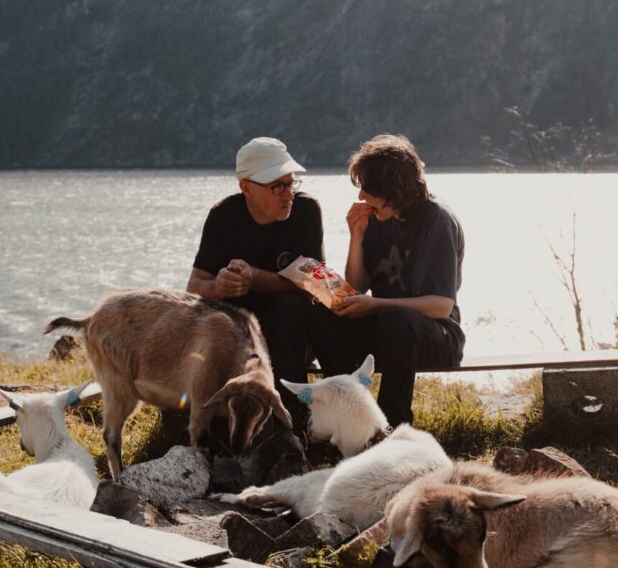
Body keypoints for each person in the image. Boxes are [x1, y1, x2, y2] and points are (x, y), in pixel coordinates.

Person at [305, 133, 464, 426]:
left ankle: (391, 426)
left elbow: (441, 306)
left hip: (435, 336)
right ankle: (350, 415)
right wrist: (357, 236)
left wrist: (375, 305)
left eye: (368, 188)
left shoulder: (436, 219)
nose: (362, 196)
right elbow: (358, 284)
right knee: (318, 313)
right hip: (386, 330)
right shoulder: (378, 217)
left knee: (396, 318)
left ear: (393, 188)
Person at [187, 136, 324, 404]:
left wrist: (255, 278)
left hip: (292, 338)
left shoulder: (306, 211)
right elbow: (194, 285)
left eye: (291, 183)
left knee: (291, 306)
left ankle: (291, 420)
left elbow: (315, 285)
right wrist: (218, 287)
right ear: (246, 188)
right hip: (239, 336)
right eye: (277, 187)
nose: (288, 195)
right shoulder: (223, 216)